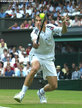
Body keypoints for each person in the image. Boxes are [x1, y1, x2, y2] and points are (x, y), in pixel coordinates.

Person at [14, 14, 67, 103]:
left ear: (45, 22)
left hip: (49, 59)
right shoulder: (34, 32)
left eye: (40, 20)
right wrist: (35, 44)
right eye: (36, 20)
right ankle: (21, 93)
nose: (38, 22)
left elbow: (63, 31)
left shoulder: (51, 28)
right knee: (34, 68)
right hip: (36, 55)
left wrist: (64, 23)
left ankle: (41, 92)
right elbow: (34, 42)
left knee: (53, 86)